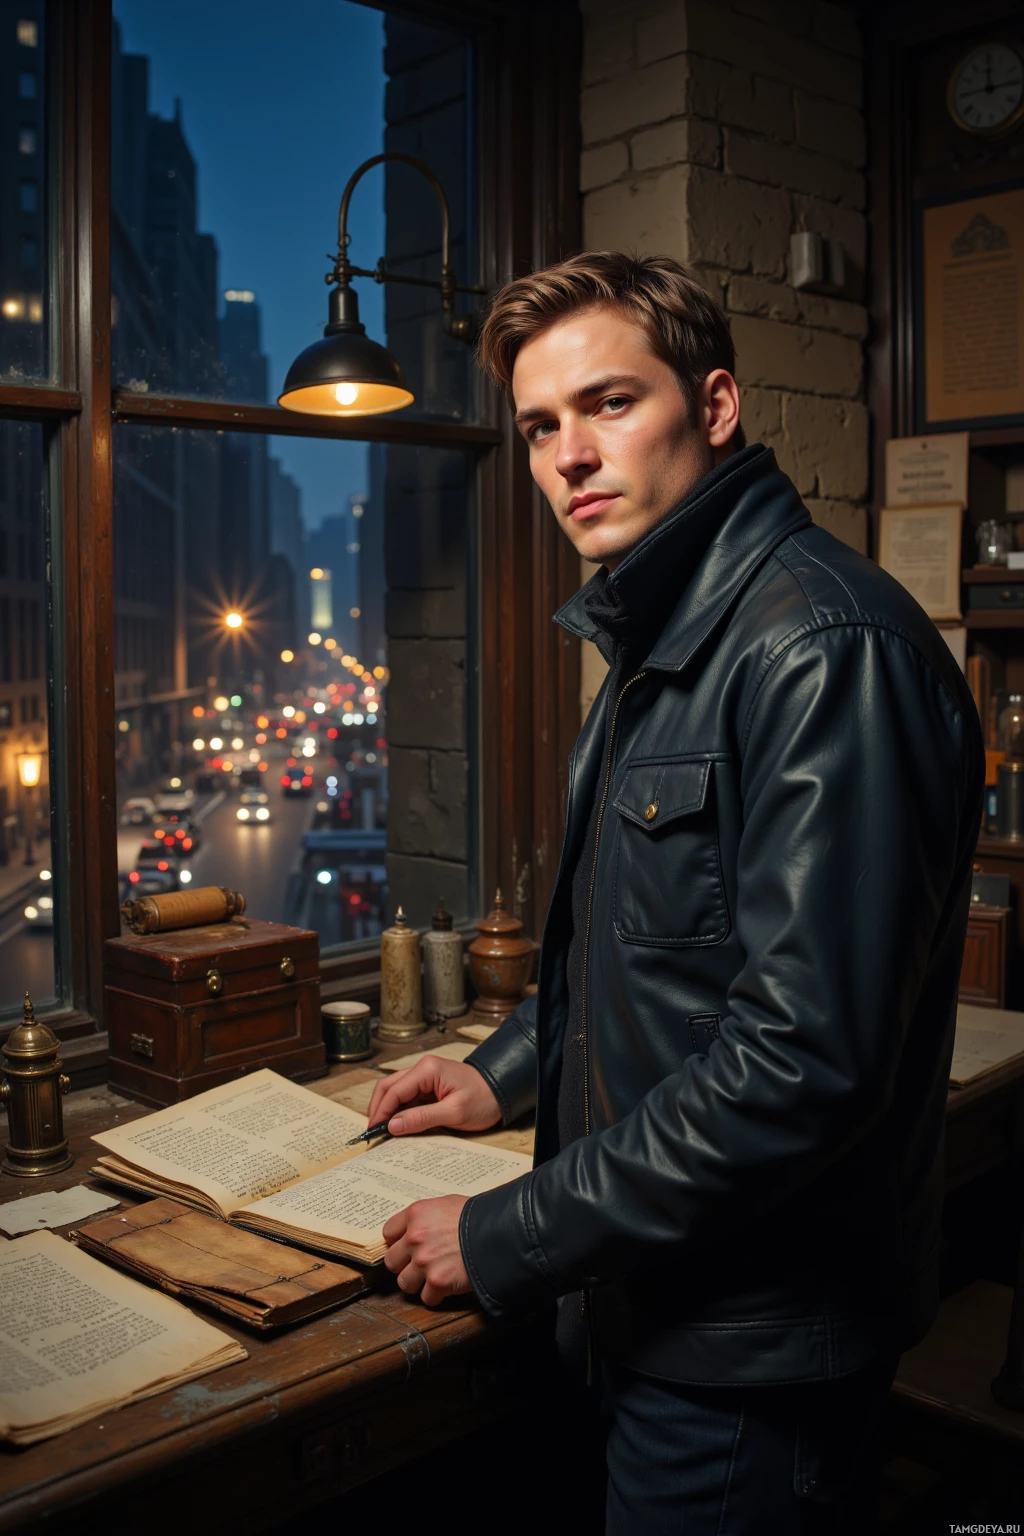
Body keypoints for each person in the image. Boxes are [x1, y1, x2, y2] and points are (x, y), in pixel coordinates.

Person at [367, 252, 985, 1533]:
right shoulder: (668, 631)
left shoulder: (818, 648)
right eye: (540, 426)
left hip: (751, 1351)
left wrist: (504, 1235)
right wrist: (503, 1069)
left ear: (713, 408)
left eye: (608, 404)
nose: (566, 457)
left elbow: (804, 1064)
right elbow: (648, 947)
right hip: (651, 1301)